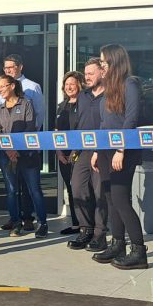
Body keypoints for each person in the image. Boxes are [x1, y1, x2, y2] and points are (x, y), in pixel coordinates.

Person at [91, 44, 148, 270]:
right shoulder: (108, 88)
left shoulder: (130, 84)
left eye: (104, 62)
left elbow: (130, 120)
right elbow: (105, 124)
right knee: (110, 198)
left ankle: (138, 250)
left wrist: (121, 149)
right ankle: (117, 244)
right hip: (105, 150)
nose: (101, 66)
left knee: (121, 198)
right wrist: (97, 151)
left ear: (114, 62)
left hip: (123, 151)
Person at [0, 54, 46, 234]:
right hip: (8, 150)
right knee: (11, 189)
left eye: (11, 67)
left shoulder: (31, 89)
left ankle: (30, 219)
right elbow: (0, 124)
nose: (8, 70)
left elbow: (37, 118)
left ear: (20, 67)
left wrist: (25, 144)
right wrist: (8, 148)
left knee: (30, 188)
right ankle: (15, 219)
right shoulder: (1, 96)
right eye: (5, 68)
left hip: (26, 148)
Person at [67, 58, 109, 252]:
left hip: (103, 149)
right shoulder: (83, 96)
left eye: (91, 73)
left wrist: (100, 151)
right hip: (83, 150)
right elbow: (78, 123)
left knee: (100, 192)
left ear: (102, 72)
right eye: (86, 74)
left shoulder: (111, 95)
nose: (88, 77)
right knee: (78, 187)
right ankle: (86, 229)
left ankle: (100, 235)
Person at [55, 71, 84, 236]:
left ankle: (87, 224)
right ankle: (75, 224)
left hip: (79, 154)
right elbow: (57, 132)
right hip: (63, 156)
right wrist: (59, 152)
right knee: (71, 189)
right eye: (66, 84)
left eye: (72, 84)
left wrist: (74, 152)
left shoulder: (83, 105)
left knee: (81, 189)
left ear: (79, 85)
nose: (69, 87)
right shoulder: (61, 106)